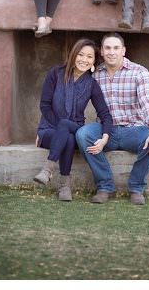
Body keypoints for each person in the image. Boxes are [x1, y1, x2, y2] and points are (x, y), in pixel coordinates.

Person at [75, 33, 149, 205]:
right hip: (106, 131)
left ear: (123, 50)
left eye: (116, 48)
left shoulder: (139, 72)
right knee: (82, 135)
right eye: (107, 48)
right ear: (101, 51)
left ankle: (136, 187)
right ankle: (104, 186)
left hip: (135, 130)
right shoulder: (94, 75)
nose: (111, 52)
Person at [32, 38, 114, 201]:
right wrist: (59, 130)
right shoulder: (56, 73)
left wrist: (105, 137)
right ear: (73, 55)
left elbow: (105, 114)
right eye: (81, 54)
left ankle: (47, 170)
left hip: (76, 130)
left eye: (89, 57)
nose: (84, 59)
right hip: (49, 130)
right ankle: (65, 186)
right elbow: (45, 105)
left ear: (94, 61)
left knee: (69, 131)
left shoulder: (91, 84)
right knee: (66, 136)